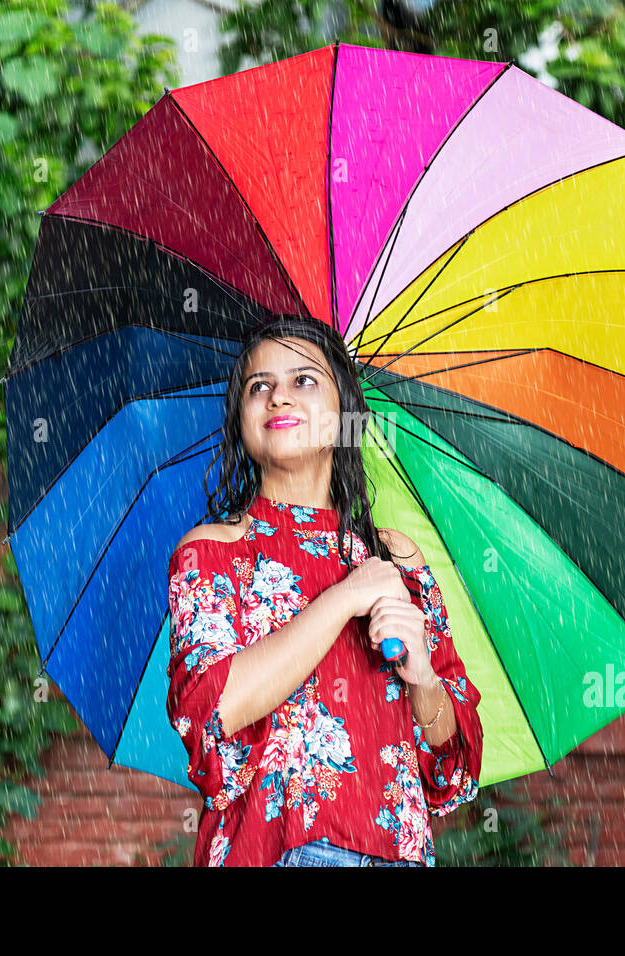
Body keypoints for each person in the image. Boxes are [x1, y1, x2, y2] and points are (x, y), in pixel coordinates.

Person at [164, 313, 484, 867]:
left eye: (303, 380)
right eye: (258, 387)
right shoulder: (212, 551)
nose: (278, 397)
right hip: (271, 851)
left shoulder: (396, 559)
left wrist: (424, 678)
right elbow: (213, 712)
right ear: (240, 418)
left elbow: (451, 768)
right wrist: (342, 599)